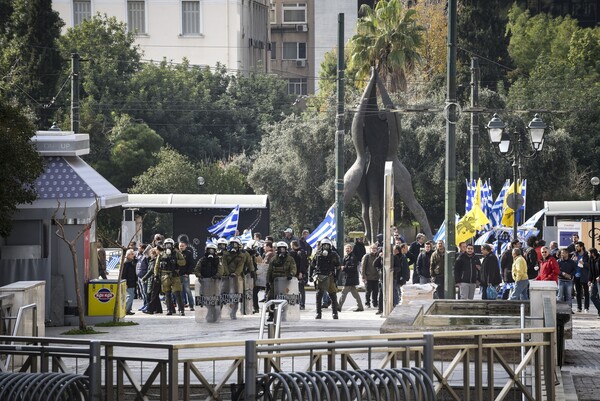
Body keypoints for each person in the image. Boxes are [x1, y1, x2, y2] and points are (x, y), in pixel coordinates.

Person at [309, 238, 340, 319]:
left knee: (333, 295)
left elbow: (338, 267)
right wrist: (310, 276)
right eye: (324, 245)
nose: (326, 247)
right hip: (320, 277)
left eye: (327, 245)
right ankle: (318, 313)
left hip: (330, 276)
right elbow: (312, 266)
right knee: (319, 295)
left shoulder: (334, 254)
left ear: (330, 246)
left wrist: (337, 277)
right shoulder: (317, 254)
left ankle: (335, 313)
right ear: (321, 246)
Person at [156, 238, 186, 316]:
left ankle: (181, 310)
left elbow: (183, 262)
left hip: (175, 275)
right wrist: (156, 275)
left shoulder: (177, 253)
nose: (168, 246)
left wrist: (176, 261)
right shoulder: (161, 254)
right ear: (164, 245)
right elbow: (157, 265)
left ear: (172, 245)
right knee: (167, 294)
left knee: (177, 293)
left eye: (170, 244)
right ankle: (169, 310)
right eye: (167, 245)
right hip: (164, 275)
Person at [267, 242, 297, 321]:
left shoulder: (290, 259)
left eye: (283, 249)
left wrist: (291, 274)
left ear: (286, 250)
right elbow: (269, 270)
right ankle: (271, 314)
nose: (282, 250)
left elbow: (293, 268)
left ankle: (284, 314)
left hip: (285, 282)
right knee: (271, 298)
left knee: (285, 298)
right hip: (275, 282)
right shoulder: (273, 259)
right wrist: (268, 281)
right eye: (280, 249)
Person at [222, 238, 245, 319]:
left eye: (235, 245)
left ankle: (233, 312)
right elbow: (224, 265)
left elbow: (240, 266)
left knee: (236, 295)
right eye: (232, 244)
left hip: (236, 277)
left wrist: (236, 274)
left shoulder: (241, 255)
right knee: (223, 293)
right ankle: (219, 311)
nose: (234, 246)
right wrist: (228, 273)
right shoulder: (225, 254)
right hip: (226, 277)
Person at [338, 244, 364, 312]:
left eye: (348, 248)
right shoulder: (346, 257)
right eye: (346, 248)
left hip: (350, 278)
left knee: (343, 293)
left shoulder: (353, 257)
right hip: (348, 278)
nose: (347, 250)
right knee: (355, 294)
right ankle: (360, 306)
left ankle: (338, 307)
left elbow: (353, 267)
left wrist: (344, 268)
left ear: (351, 249)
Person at [142, 247, 162, 314]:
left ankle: (150, 309)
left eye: (151, 253)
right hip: (151, 279)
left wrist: (144, 278)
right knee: (155, 296)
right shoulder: (151, 260)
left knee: (152, 295)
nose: (150, 255)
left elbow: (151, 271)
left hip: (154, 279)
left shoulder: (154, 261)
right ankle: (159, 309)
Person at [289, 240, 308, 310]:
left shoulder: (300, 252)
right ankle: (296, 302)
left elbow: (302, 263)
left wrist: (301, 272)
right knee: (295, 289)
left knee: (301, 289)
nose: (291, 247)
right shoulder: (296, 252)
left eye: (291, 246)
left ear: (294, 245)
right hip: (296, 273)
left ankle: (302, 304)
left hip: (299, 273)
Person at [572, 241, 590, 312]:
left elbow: (589, 266)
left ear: (581, 247)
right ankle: (579, 307)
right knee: (578, 292)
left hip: (584, 276)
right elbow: (571, 264)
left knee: (586, 292)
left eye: (577, 246)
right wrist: (572, 261)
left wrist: (584, 263)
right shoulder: (574, 254)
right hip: (576, 276)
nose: (576, 248)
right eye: (575, 246)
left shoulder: (586, 255)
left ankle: (586, 307)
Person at [361, 243, 380, 309]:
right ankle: (367, 303)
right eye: (373, 248)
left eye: (375, 248)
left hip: (376, 277)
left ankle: (375, 303)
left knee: (376, 291)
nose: (374, 250)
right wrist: (363, 277)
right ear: (370, 249)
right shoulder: (366, 256)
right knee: (368, 291)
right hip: (368, 277)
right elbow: (362, 267)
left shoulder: (378, 256)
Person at [558, 248, 577, 312]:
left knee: (568, 296)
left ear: (567, 253)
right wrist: (562, 273)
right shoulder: (558, 261)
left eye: (563, 253)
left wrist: (570, 275)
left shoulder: (572, 262)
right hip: (560, 280)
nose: (562, 254)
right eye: (561, 253)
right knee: (560, 296)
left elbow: (575, 270)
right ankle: (559, 309)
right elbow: (557, 270)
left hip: (569, 281)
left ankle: (569, 309)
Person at [178, 240, 195, 311]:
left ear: (186, 246)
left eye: (182, 246)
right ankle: (182, 306)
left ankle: (191, 305)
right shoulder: (177, 253)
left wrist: (187, 273)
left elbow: (191, 264)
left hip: (185, 275)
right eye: (180, 246)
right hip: (178, 275)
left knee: (188, 290)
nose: (181, 247)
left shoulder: (188, 253)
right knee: (180, 291)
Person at [122, 249, 138, 315]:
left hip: (133, 281)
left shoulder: (132, 262)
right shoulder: (126, 263)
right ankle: (125, 309)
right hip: (129, 282)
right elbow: (123, 274)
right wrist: (125, 283)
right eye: (132, 254)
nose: (133, 255)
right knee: (130, 296)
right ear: (128, 255)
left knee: (132, 295)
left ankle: (128, 309)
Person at [135, 244, 149, 311]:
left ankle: (147, 305)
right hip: (139, 276)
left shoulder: (145, 257)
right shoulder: (139, 255)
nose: (138, 249)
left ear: (143, 249)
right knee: (142, 292)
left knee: (145, 291)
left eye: (139, 248)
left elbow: (148, 266)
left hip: (144, 276)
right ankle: (144, 304)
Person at [587, 248, 600, 317]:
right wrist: (589, 280)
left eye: (590, 253)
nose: (589, 254)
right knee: (592, 297)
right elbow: (590, 271)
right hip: (594, 281)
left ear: (593, 253)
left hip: (599, 280)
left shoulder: (599, 259)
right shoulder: (591, 260)